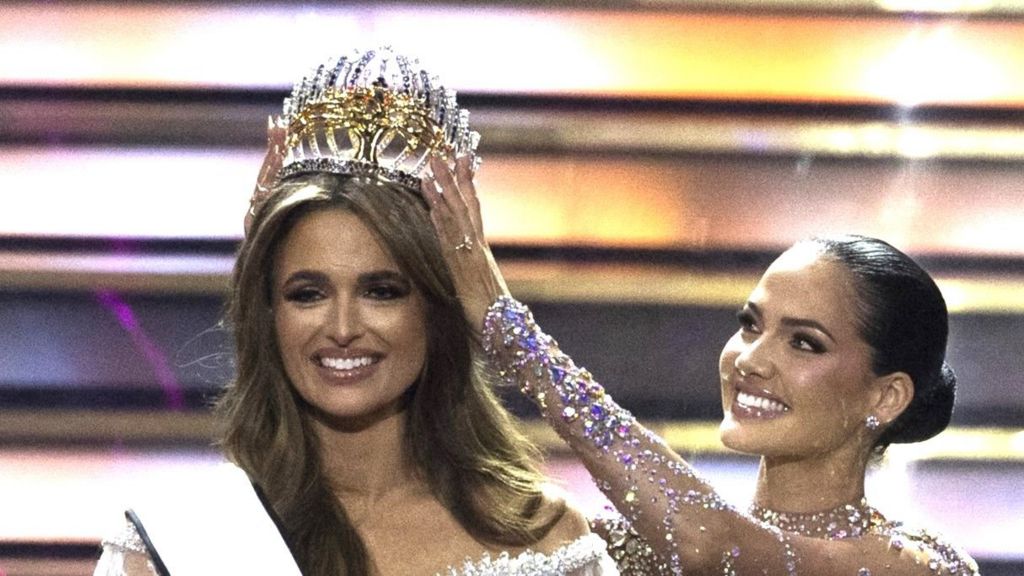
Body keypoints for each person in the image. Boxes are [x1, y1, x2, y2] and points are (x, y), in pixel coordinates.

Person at [93, 47, 618, 575]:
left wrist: (506, 327)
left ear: (435, 310)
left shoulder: (541, 538)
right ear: (269, 314)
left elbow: (701, 543)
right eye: (307, 293)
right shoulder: (181, 543)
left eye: (382, 291)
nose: (342, 329)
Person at [421, 154, 981, 575]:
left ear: (886, 396)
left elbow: (716, 546)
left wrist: (506, 328)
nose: (751, 360)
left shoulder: (919, 563)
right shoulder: (635, 546)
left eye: (805, 343)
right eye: (750, 324)